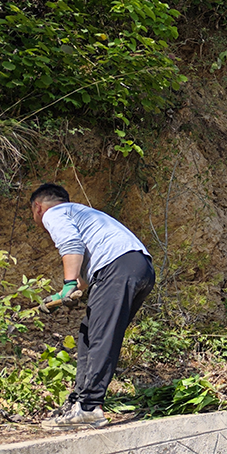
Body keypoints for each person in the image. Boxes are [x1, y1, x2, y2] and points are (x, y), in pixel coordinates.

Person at [30, 183, 156, 431]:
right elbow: (87, 276)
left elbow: (71, 245)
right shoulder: (83, 214)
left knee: (100, 337)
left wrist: (68, 284)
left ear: (38, 207)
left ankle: (89, 408)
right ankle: (78, 402)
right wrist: (63, 294)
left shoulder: (54, 213)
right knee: (89, 333)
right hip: (138, 268)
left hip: (117, 269)